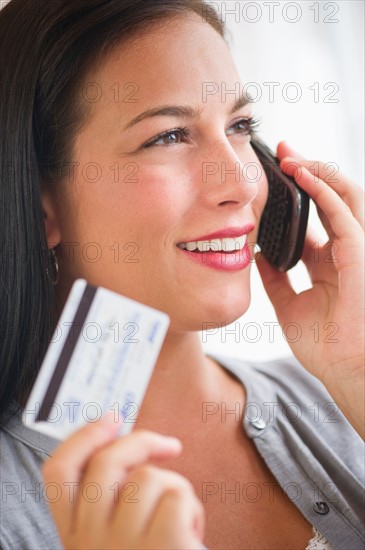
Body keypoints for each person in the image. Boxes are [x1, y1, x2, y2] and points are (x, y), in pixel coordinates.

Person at [0, 1, 364, 549]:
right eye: (169, 136)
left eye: (240, 126)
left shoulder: (338, 401)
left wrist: (358, 372)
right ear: (41, 201)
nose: (242, 182)